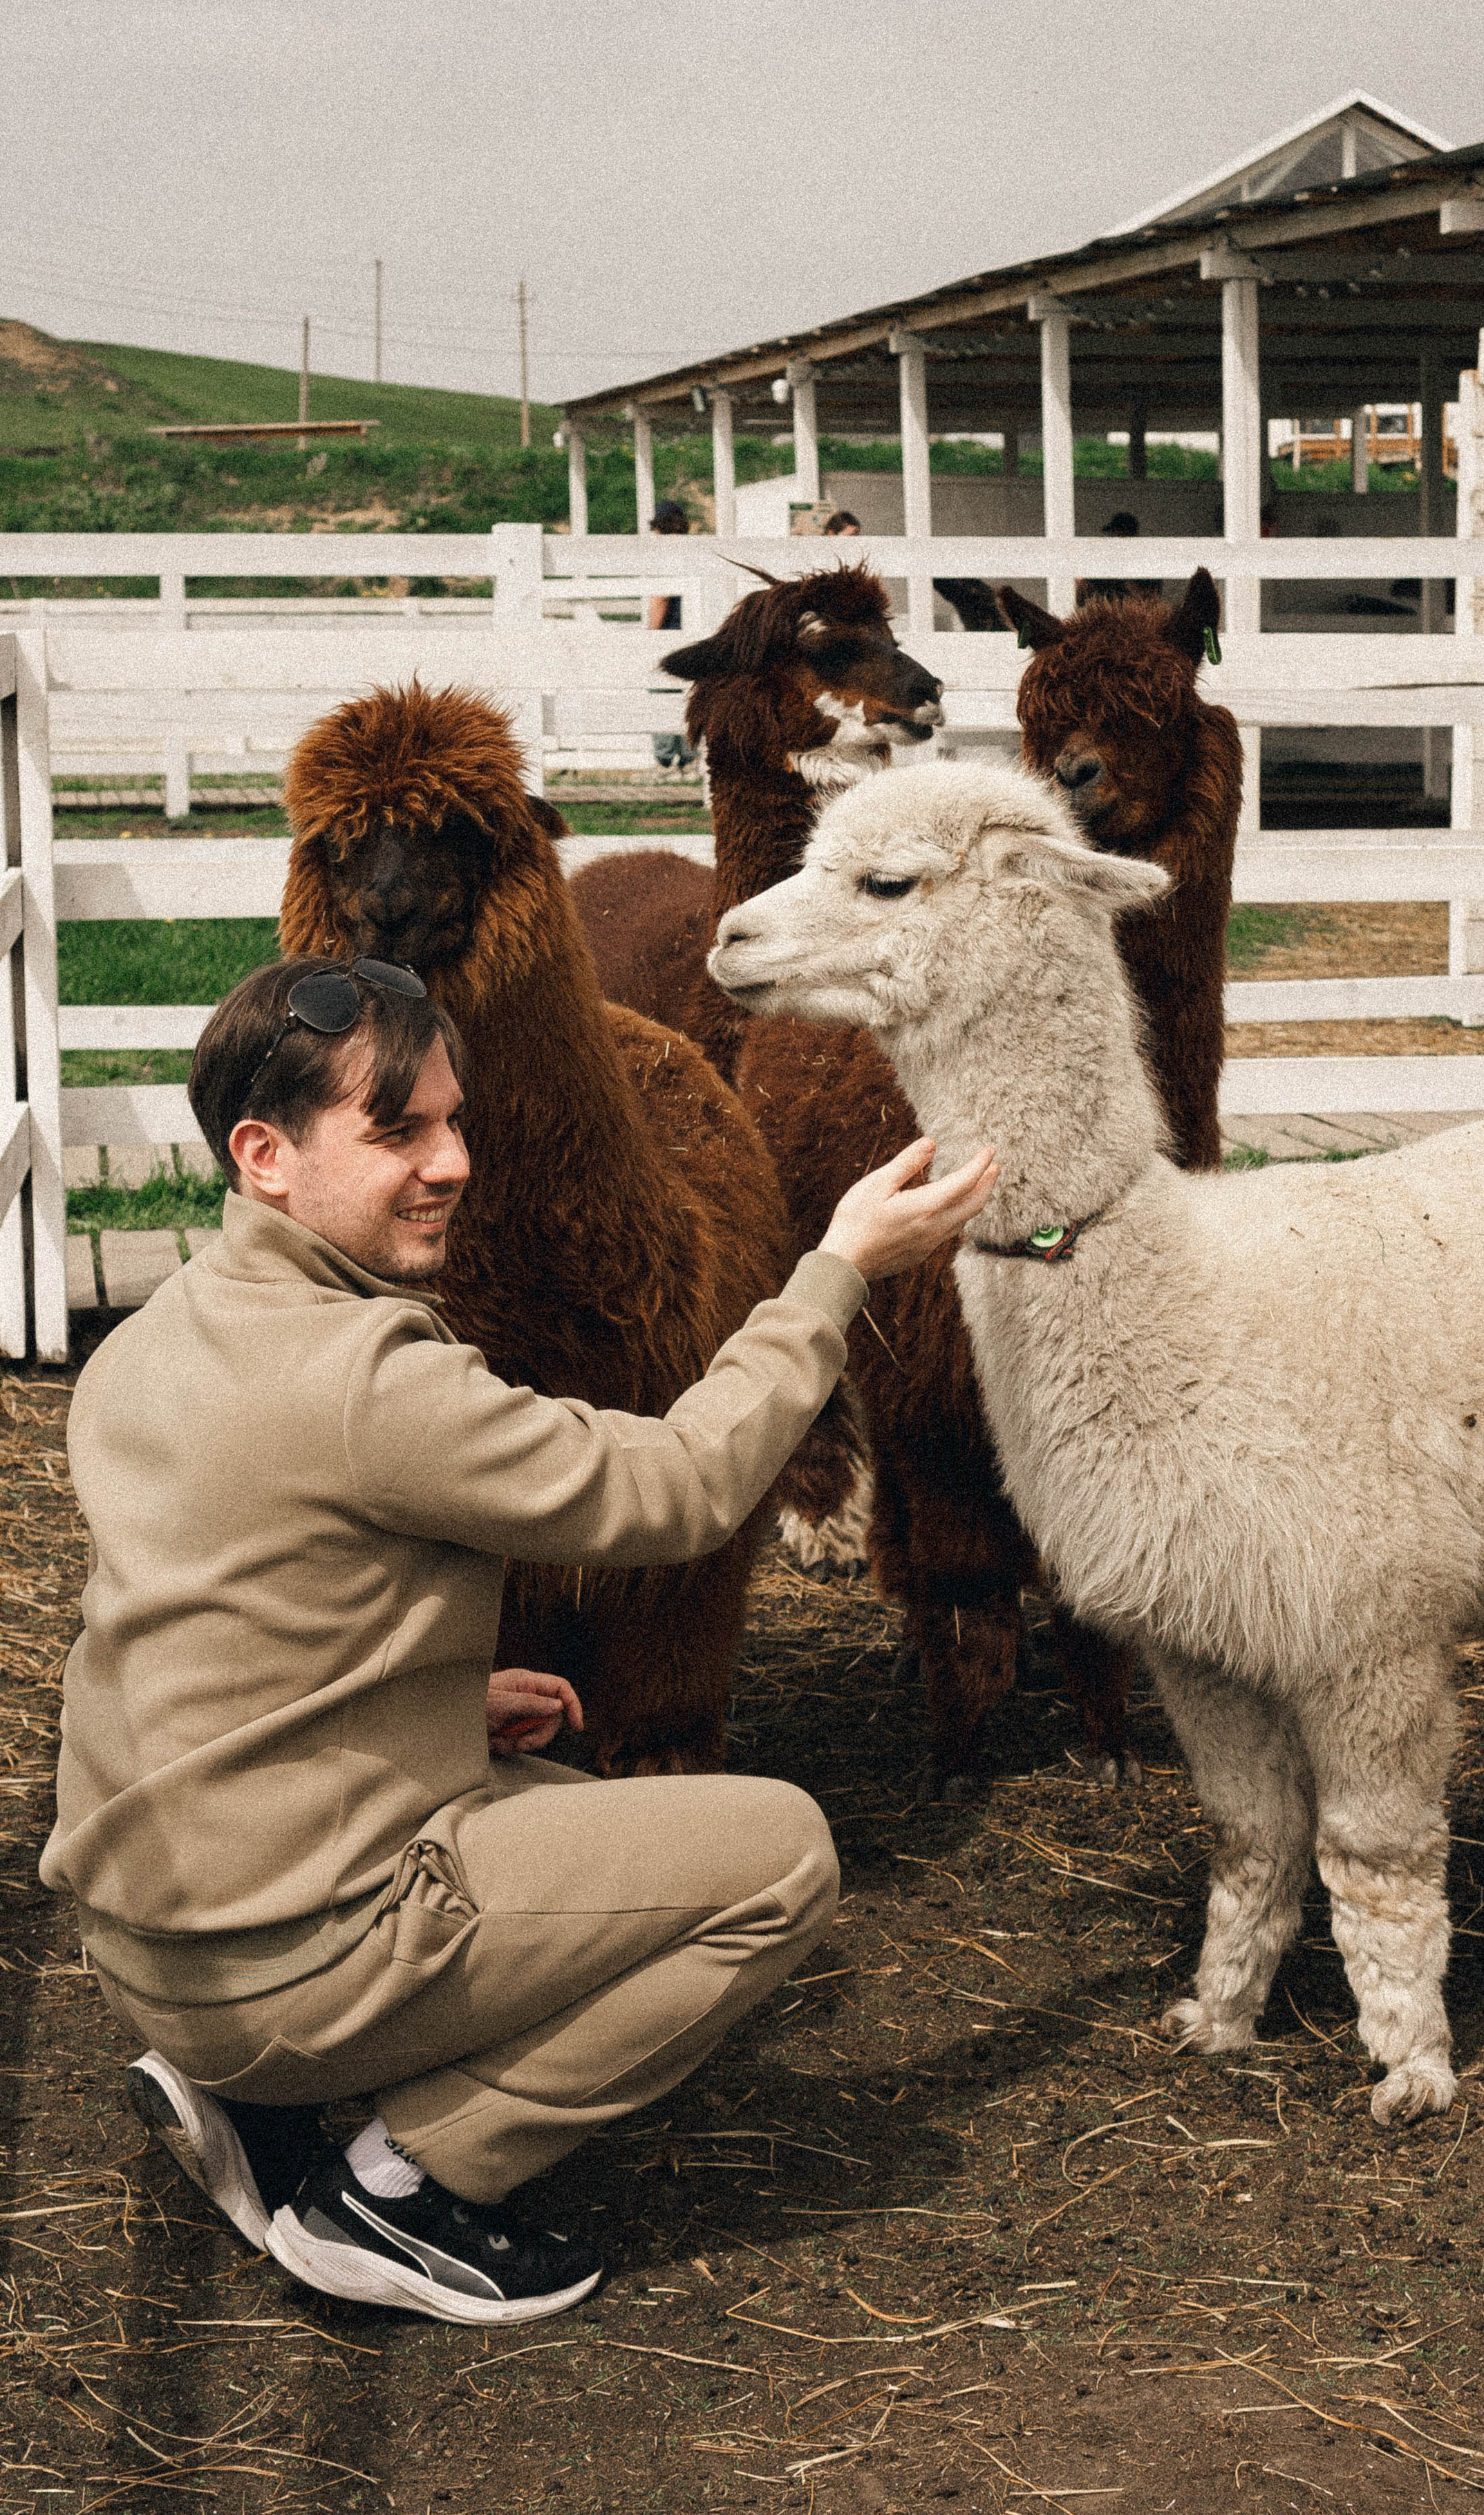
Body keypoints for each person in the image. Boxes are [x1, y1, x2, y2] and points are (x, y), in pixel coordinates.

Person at [41, 955, 996, 2326]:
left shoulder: (154, 1340)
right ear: (264, 1154)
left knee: (556, 1798)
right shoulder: (368, 1376)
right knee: (778, 1857)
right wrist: (833, 1273)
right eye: (395, 1131)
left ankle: (253, 2099)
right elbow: (681, 1489)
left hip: (149, 1936)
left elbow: (216, 1613)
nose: (448, 1163)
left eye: (452, 1122)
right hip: (272, 1962)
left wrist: (433, 1695)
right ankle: (404, 2185)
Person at [645, 498, 693, 770]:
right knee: (687, 694)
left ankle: (664, 758)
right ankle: (688, 756)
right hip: (690, 629)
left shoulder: (664, 553)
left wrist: (651, 634)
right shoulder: (691, 551)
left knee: (662, 693)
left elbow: (661, 599)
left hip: (668, 631)